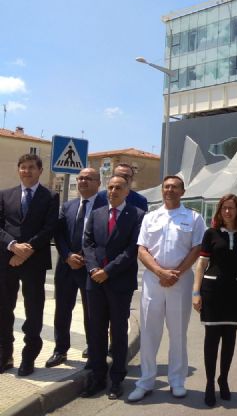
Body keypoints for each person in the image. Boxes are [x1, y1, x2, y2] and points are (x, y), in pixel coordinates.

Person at [127, 175, 205, 402]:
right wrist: (160, 272)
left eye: (174, 187)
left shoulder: (193, 217)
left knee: (178, 333)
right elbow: (141, 249)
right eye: (166, 187)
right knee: (150, 332)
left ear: (182, 191)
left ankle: (177, 380)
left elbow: (197, 248)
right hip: (153, 281)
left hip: (181, 281)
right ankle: (146, 381)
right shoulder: (151, 217)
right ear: (162, 190)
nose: (169, 190)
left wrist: (177, 273)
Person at [82, 175, 145, 399]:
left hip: (119, 283)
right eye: (110, 187)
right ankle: (98, 376)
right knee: (96, 331)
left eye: (118, 187)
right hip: (94, 282)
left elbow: (132, 250)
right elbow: (87, 243)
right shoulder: (97, 214)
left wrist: (107, 271)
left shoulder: (137, 216)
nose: (113, 191)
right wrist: (92, 270)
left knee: (118, 332)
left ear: (127, 191)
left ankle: (117, 379)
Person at [0, 154, 59, 376]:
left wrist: (26, 251)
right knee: (4, 309)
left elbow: (49, 227)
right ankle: (5, 353)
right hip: (6, 260)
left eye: (31, 167)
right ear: (18, 170)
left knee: (33, 309)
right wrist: (13, 245)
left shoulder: (50, 197)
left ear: (40, 170)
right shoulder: (5, 195)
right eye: (23, 167)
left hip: (34, 262)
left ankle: (29, 355)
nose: (26, 171)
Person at [46, 167, 106, 368]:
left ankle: (93, 346)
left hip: (91, 267)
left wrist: (87, 257)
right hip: (66, 265)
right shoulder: (68, 206)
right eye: (80, 178)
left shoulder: (106, 206)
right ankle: (60, 350)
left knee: (92, 310)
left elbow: (107, 238)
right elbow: (59, 234)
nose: (83, 182)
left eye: (89, 178)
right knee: (62, 309)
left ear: (99, 182)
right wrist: (66, 255)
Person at [192, 194, 237, 407]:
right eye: (224, 208)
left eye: (232, 208)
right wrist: (196, 292)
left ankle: (223, 379)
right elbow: (201, 264)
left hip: (236, 291)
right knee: (212, 338)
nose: (228, 212)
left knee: (230, 338)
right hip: (212, 290)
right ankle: (209, 383)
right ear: (219, 211)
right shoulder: (211, 234)